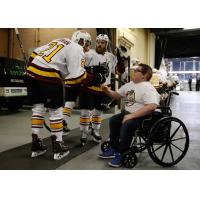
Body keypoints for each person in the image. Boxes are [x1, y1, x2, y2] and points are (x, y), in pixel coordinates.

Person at [26, 35, 105, 160]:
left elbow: (34, 54)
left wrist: (30, 67)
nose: (88, 47)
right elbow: (77, 77)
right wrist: (96, 78)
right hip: (49, 76)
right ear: (82, 41)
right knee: (56, 112)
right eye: (88, 43)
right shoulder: (78, 49)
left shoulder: (59, 40)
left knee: (37, 109)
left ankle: (36, 144)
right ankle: (58, 145)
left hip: (31, 74)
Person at [98, 63, 160, 167]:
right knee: (114, 120)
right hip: (127, 114)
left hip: (142, 117)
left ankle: (122, 152)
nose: (134, 72)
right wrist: (107, 91)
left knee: (127, 124)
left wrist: (131, 116)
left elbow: (151, 106)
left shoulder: (148, 88)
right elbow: (116, 95)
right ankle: (113, 148)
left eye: (137, 71)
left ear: (144, 75)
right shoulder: (130, 84)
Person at [79, 34, 125, 146]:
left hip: (103, 89)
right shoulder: (88, 54)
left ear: (106, 44)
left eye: (103, 42)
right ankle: (84, 133)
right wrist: (92, 69)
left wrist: (121, 59)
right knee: (85, 112)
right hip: (89, 87)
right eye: (98, 42)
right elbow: (79, 69)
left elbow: (119, 72)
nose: (100, 44)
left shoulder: (111, 56)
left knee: (98, 112)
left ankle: (95, 131)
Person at [62, 30, 92, 134]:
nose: (86, 45)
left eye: (88, 42)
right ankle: (85, 127)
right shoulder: (80, 52)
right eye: (84, 42)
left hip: (70, 79)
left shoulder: (70, 50)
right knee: (84, 106)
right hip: (80, 79)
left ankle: (64, 121)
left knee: (70, 102)